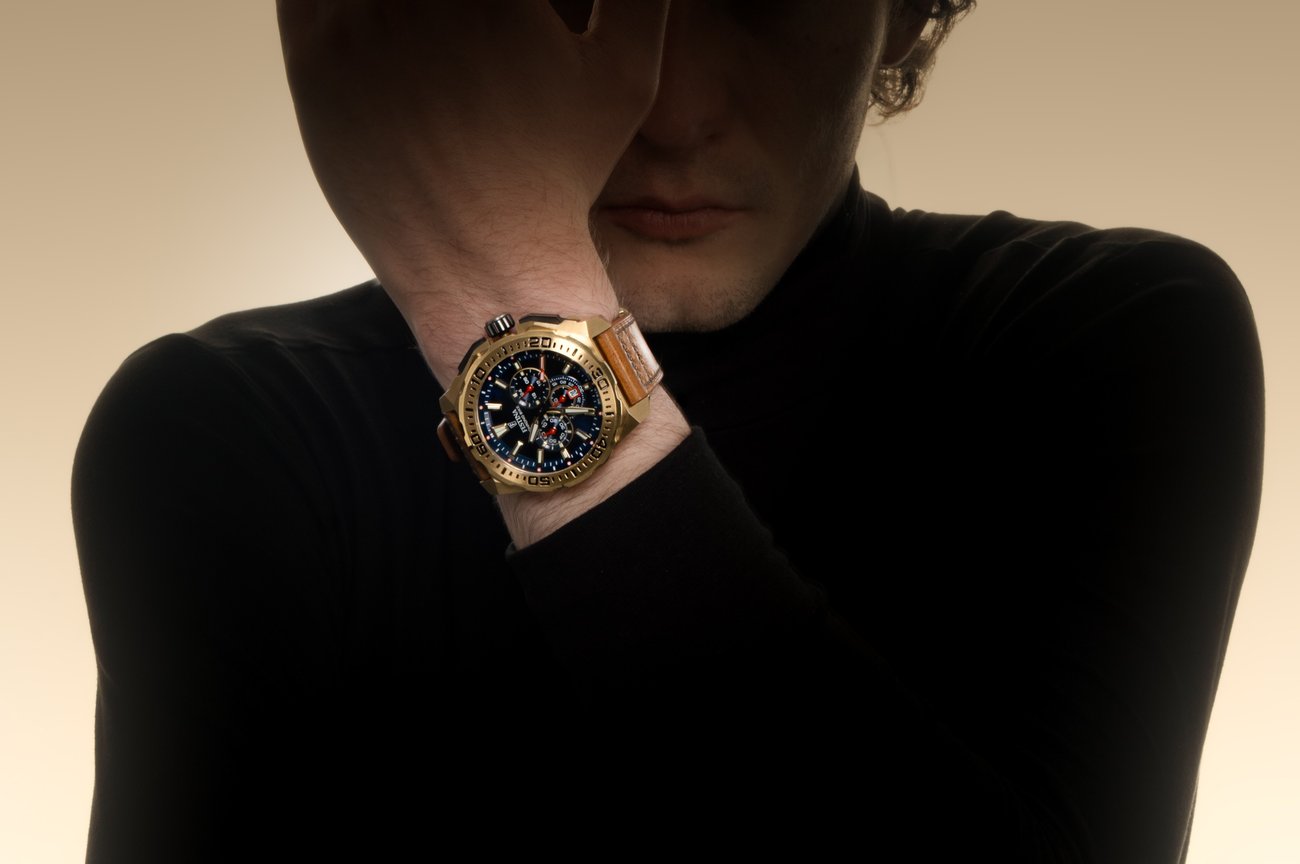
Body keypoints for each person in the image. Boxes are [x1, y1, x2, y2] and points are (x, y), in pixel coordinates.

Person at [72, 1, 1264, 861]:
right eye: (592, 0)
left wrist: (508, 293)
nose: (676, 113)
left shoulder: (1097, 336)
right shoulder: (230, 427)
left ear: (903, 14)